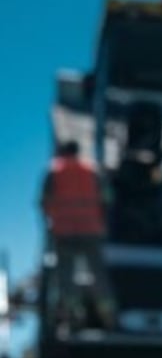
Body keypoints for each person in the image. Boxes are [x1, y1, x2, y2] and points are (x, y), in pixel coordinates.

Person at [41, 140, 115, 330]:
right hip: (90, 229)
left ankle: (75, 314)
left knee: (67, 275)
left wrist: (53, 221)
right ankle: (108, 314)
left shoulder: (54, 171)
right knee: (97, 274)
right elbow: (107, 198)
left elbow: (44, 201)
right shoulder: (91, 170)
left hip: (64, 231)